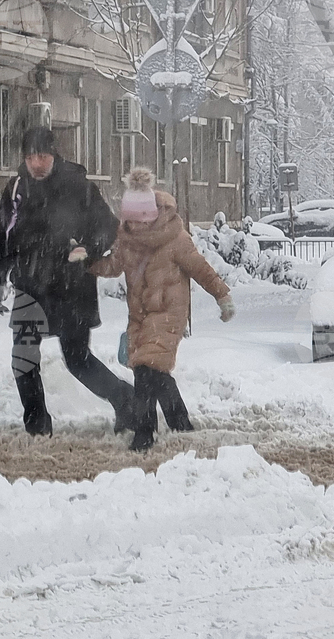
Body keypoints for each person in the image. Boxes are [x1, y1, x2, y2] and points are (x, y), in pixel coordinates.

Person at [0, 127, 136, 437]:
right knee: (24, 357)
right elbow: (2, 234)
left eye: (42, 156)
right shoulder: (16, 189)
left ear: (53, 155)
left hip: (71, 288)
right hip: (30, 286)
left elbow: (109, 228)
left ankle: (125, 400)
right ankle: (38, 425)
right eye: (30, 157)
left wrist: (89, 249)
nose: (37, 164)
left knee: (78, 361)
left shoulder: (77, 185)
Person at [90, 167, 235, 452]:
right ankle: (181, 422)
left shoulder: (175, 239)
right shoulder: (127, 239)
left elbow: (201, 269)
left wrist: (223, 296)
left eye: (139, 221)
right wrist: (85, 263)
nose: (135, 227)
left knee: (146, 369)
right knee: (153, 373)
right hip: (140, 317)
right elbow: (113, 265)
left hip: (169, 314)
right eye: (129, 221)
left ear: (151, 216)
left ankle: (143, 434)